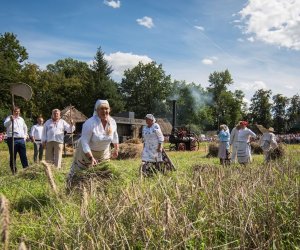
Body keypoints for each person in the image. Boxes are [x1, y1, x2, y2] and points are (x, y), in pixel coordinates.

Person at [67, 100, 119, 181]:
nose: (104, 111)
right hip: (87, 152)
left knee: (102, 174)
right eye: (101, 109)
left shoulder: (112, 122)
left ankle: (99, 191)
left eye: (106, 109)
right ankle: (75, 187)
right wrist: (91, 158)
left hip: (103, 152)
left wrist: (116, 148)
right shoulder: (90, 123)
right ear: (96, 110)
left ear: (109, 110)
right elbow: (84, 142)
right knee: (82, 174)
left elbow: (115, 135)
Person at [3, 106, 29, 174]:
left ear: (19, 112)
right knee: (13, 156)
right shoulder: (9, 118)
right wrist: (10, 120)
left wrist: (25, 136)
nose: (17, 112)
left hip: (21, 140)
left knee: (23, 155)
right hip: (12, 139)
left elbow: (25, 127)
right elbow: (5, 125)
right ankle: (14, 171)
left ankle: (26, 170)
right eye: (15, 111)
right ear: (13, 112)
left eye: (18, 111)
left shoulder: (21, 119)